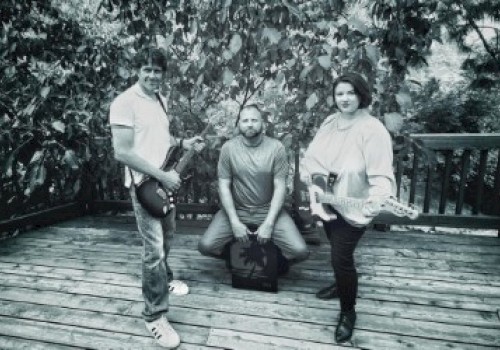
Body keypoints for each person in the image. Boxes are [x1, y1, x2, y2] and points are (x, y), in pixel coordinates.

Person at [109, 48, 204, 349]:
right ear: (137, 70)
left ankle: (165, 279)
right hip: (144, 186)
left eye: (158, 71)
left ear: (164, 74)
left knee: (168, 237)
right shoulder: (124, 103)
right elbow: (122, 152)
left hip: (164, 181)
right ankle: (154, 315)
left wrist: (184, 142)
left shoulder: (161, 100)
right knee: (154, 251)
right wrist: (163, 177)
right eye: (147, 69)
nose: (152, 75)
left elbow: (162, 140)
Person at [300, 72, 396, 343]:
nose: (344, 98)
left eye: (350, 93)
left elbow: (381, 176)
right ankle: (340, 285)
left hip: (353, 206)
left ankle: (348, 312)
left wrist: (376, 200)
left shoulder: (374, 130)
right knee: (335, 250)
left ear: (361, 95)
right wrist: (315, 185)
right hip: (327, 201)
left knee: (341, 258)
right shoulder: (331, 122)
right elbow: (312, 157)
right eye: (339, 93)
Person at [198, 105, 309, 276]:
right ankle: (234, 257)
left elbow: (280, 187)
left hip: (268, 210)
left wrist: (269, 223)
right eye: (245, 120)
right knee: (205, 246)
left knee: (300, 251)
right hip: (237, 210)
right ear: (239, 124)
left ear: (262, 123)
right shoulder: (229, 148)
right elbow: (224, 186)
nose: (250, 124)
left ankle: (274, 262)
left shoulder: (276, 148)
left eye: (254, 120)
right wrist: (234, 222)